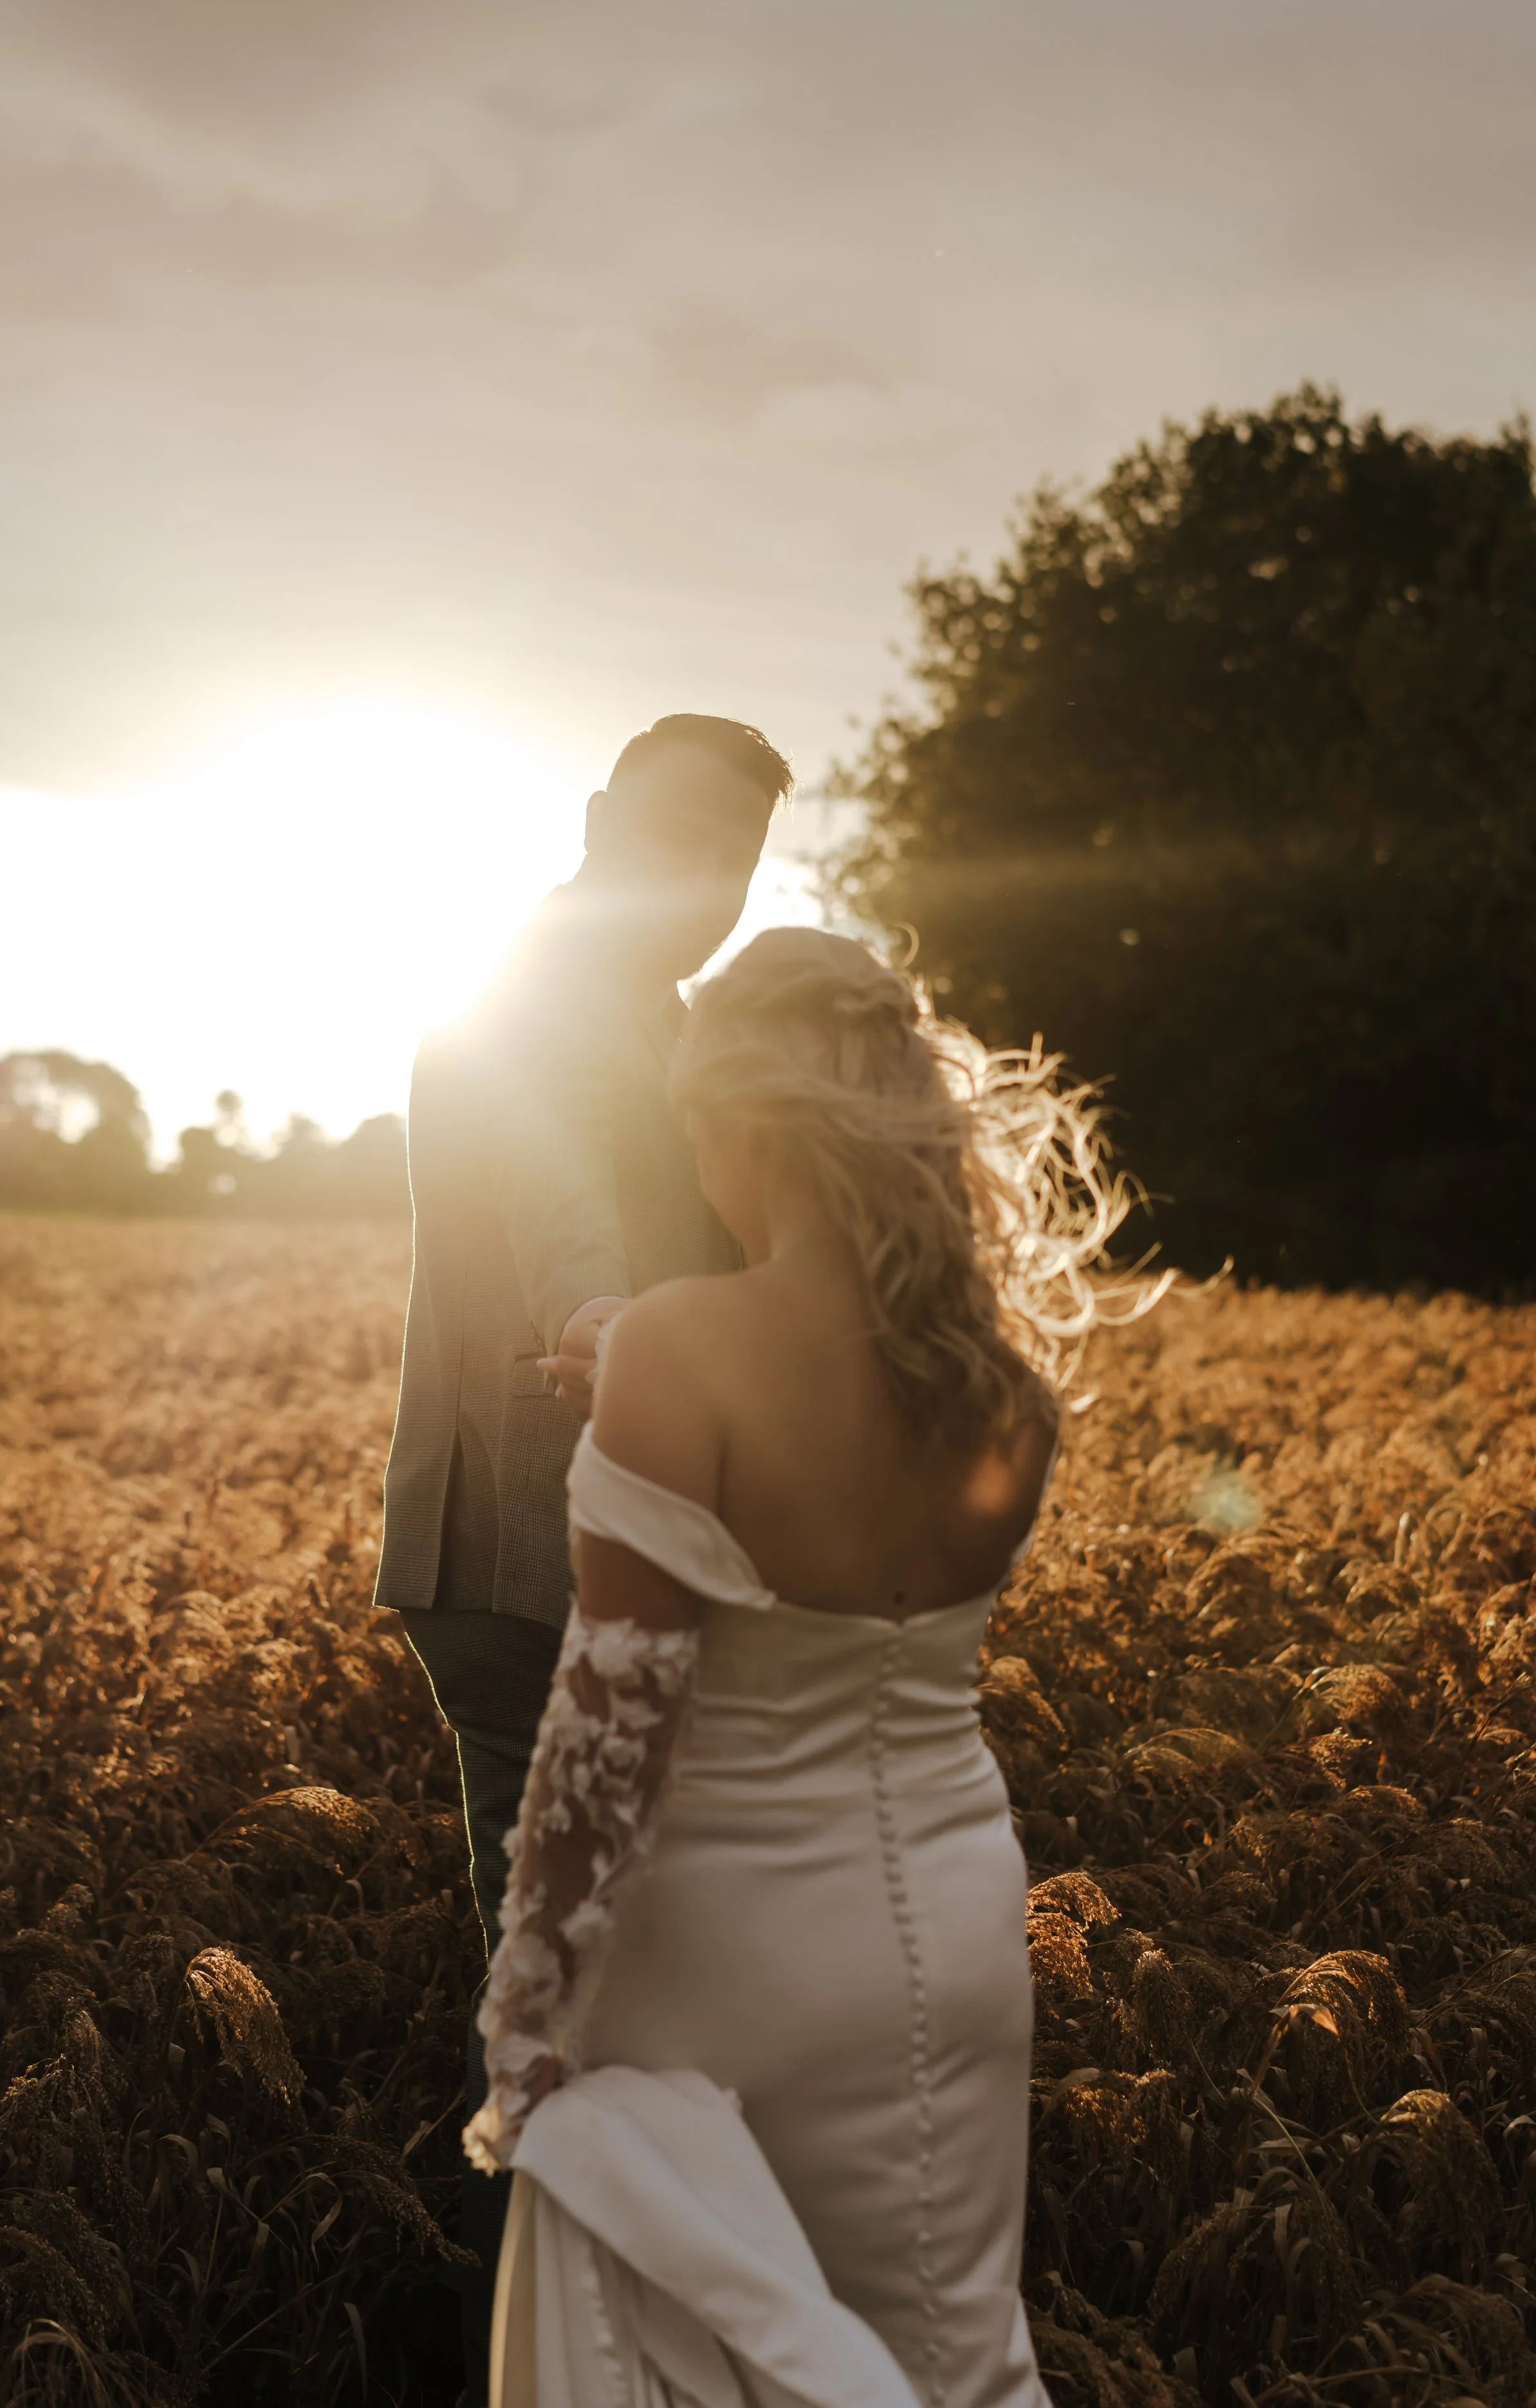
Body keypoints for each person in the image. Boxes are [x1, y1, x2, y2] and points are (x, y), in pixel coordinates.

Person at [465, 927, 1156, 2408]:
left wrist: (523, 2028)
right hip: (957, 1919)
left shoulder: (679, 1345)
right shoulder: (1004, 1387)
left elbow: (611, 1724)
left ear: (736, 1120)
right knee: (954, 2353)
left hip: (722, 1942)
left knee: (717, 2357)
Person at [371, 714, 793, 2402]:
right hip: (522, 1561)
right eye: (680, 835)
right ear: (604, 815)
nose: (703, 881)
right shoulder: (538, 991)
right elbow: (558, 1190)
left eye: (737, 858)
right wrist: (598, 1308)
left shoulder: (666, 1017)